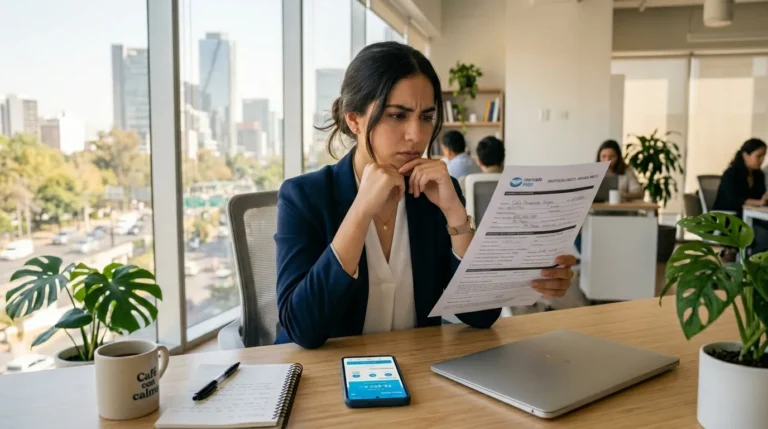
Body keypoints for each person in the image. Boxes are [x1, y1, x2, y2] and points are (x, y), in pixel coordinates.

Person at [274, 42, 577, 349]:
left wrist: (455, 214)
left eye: (426, 117)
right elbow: (303, 328)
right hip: (326, 379)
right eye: (397, 116)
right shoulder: (303, 197)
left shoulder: (434, 194)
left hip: (417, 372)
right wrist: (361, 210)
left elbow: (482, 315)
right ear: (354, 119)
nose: (416, 136)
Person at [713, 138, 768, 218]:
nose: (762, 160)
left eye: (764, 156)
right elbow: (734, 200)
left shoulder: (759, 175)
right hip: (728, 218)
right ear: (745, 155)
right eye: (759, 156)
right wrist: (758, 202)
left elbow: (759, 196)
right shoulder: (731, 174)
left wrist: (764, 199)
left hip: (750, 216)